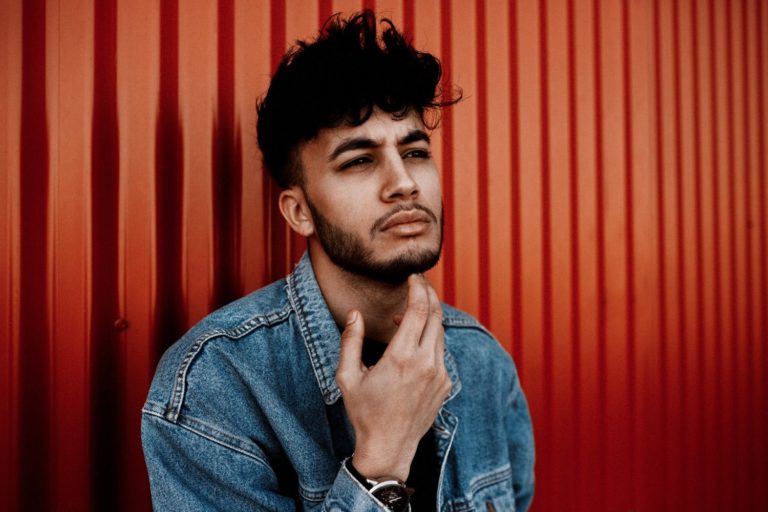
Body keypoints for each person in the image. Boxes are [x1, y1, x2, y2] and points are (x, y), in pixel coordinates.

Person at [141, 11, 534, 512]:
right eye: (359, 161)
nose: (404, 183)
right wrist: (381, 462)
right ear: (299, 212)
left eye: (415, 153)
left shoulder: (483, 362)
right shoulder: (215, 384)